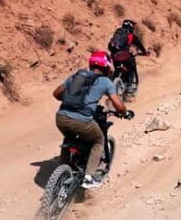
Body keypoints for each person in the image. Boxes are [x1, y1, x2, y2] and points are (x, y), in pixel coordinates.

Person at [52, 50, 127, 189]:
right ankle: (88, 177)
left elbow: (56, 93)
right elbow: (118, 105)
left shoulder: (76, 76)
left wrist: (71, 101)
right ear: (106, 67)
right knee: (99, 140)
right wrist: (124, 112)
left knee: (69, 137)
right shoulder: (105, 82)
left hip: (61, 117)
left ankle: (63, 169)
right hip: (81, 121)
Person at [107, 19, 148, 100]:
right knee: (131, 67)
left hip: (114, 55)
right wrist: (145, 53)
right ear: (131, 27)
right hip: (124, 55)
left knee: (117, 69)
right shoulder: (130, 35)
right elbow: (139, 45)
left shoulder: (117, 32)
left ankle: (112, 85)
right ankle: (129, 88)